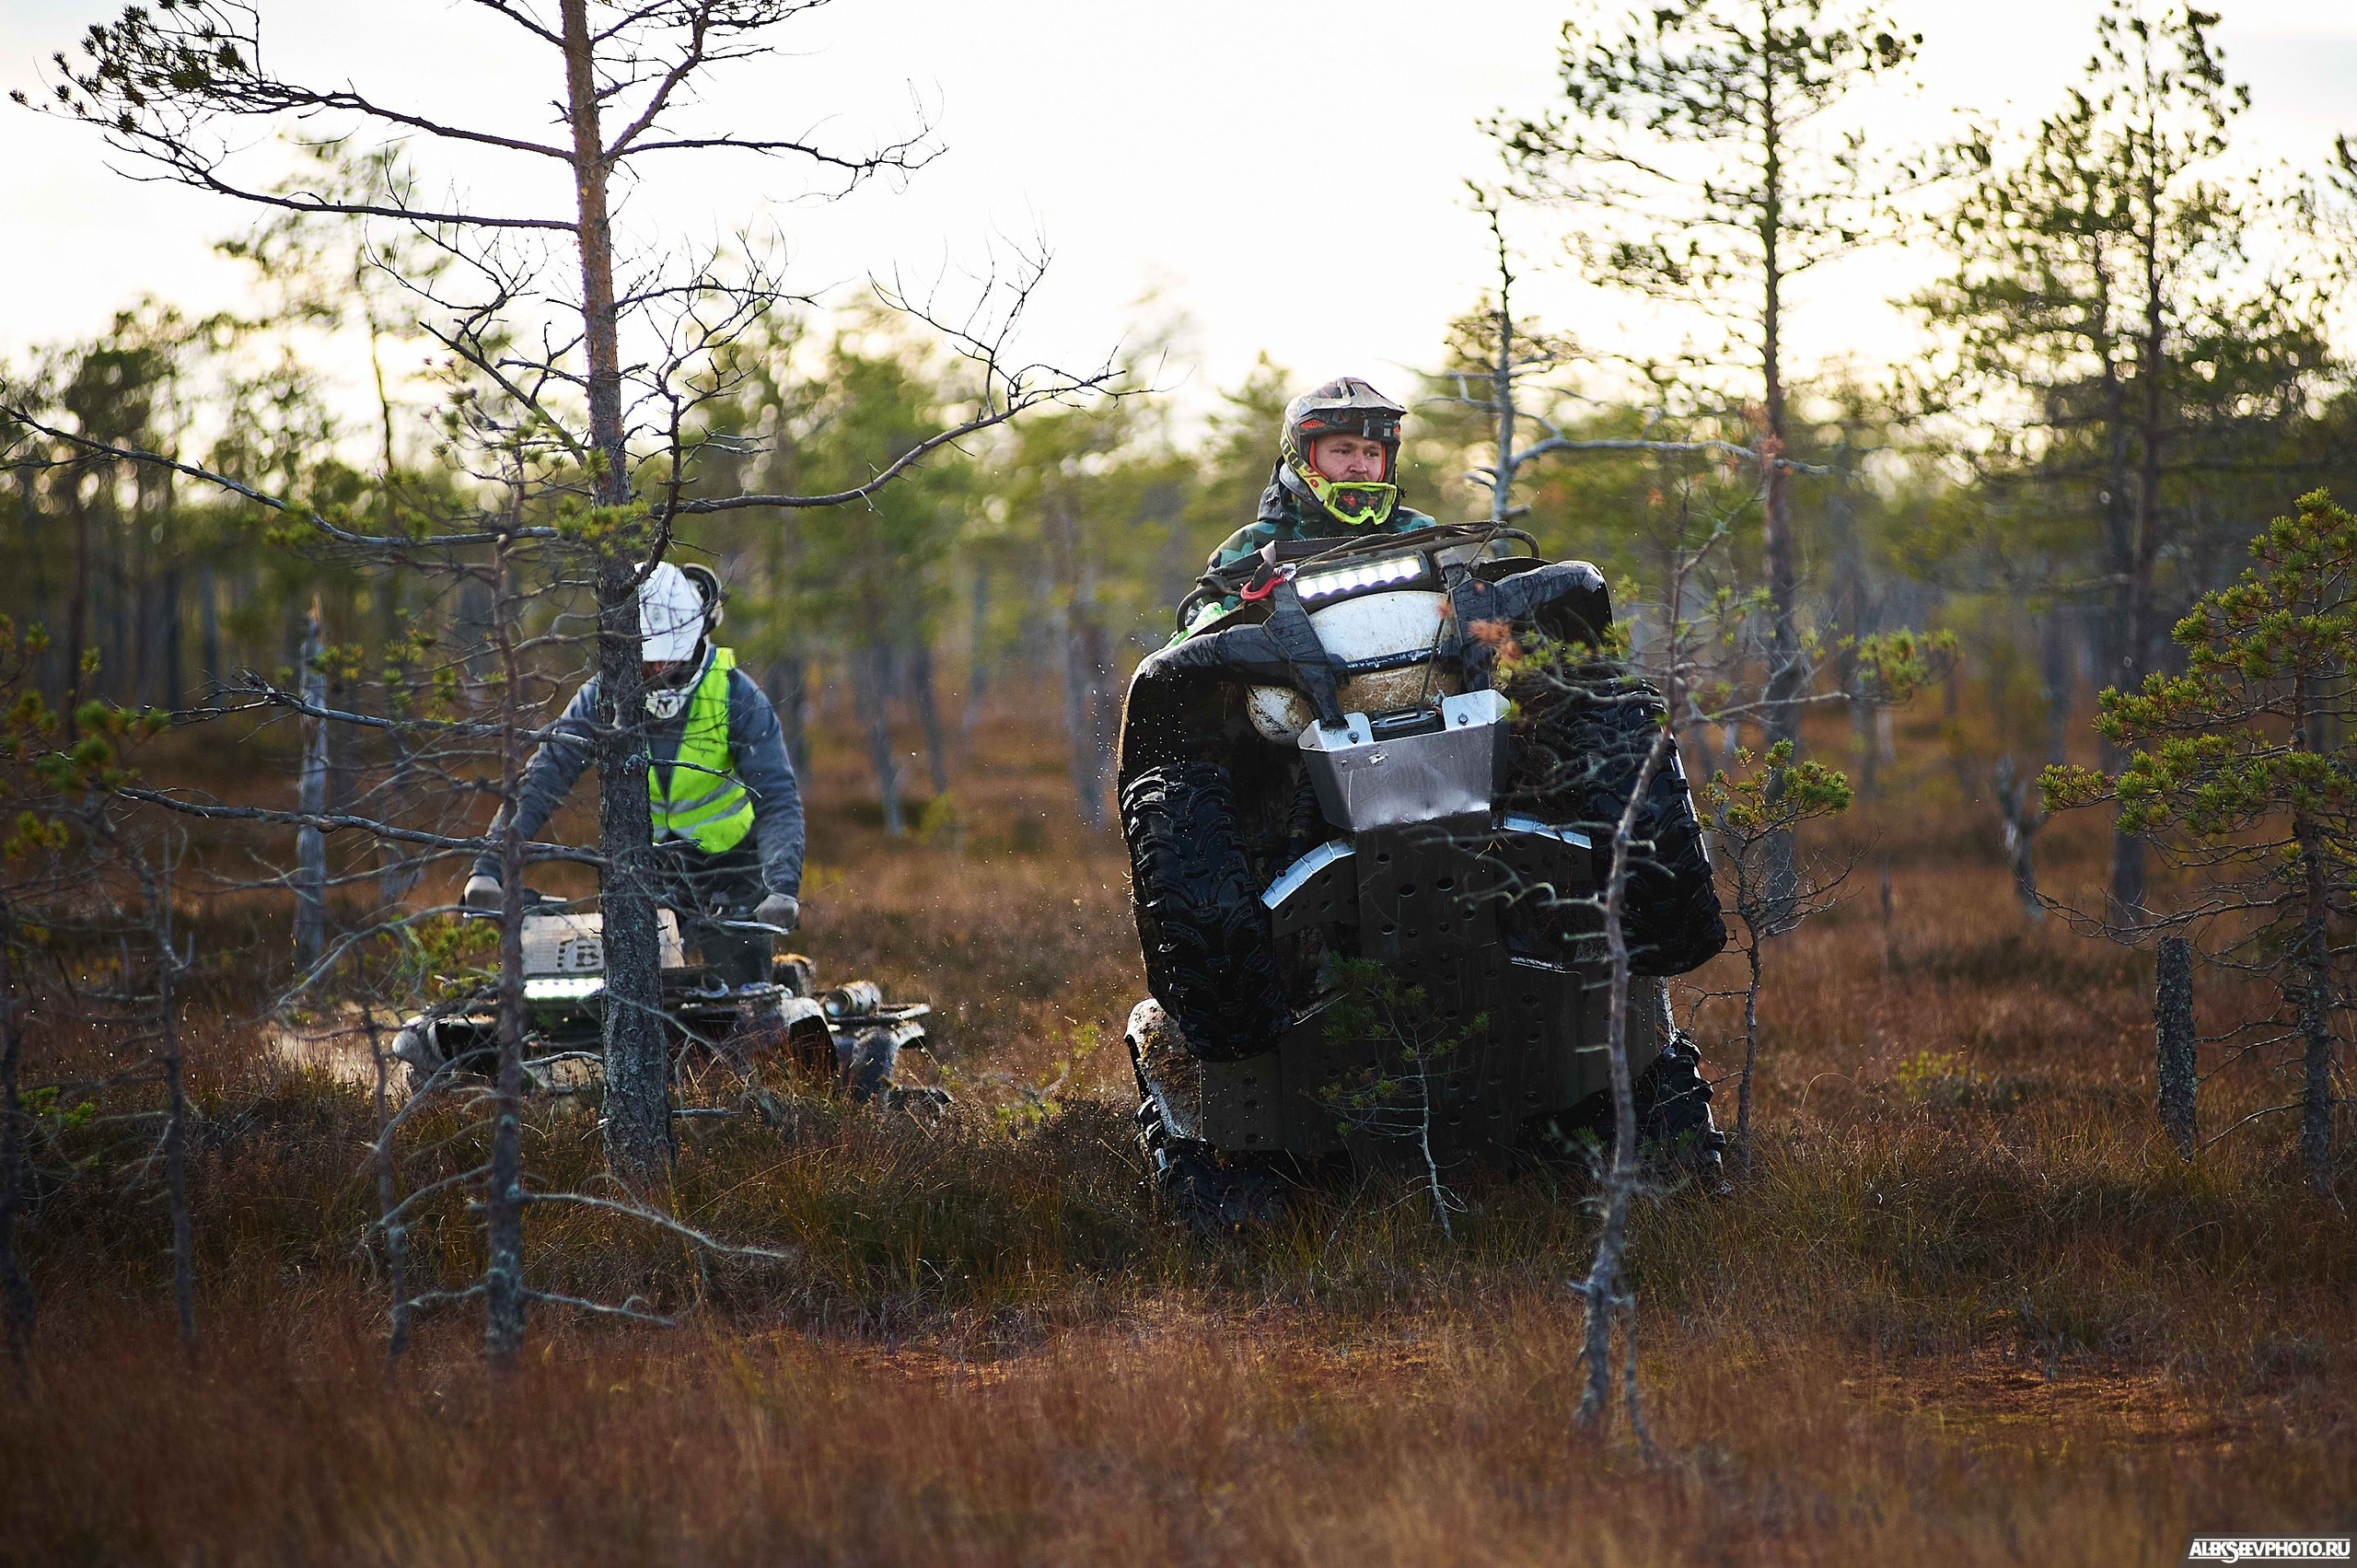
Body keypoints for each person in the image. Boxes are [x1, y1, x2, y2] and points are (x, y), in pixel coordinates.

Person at [463, 562, 805, 987]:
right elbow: (544, 777)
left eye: (669, 658)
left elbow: (775, 796)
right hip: (648, 870)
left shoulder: (736, 695)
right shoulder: (600, 697)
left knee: (742, 1006)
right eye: (646, 662)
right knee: (636, 998)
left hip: (733, 870)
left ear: (695, 640)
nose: (658, 671)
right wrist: (489, 867)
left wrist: (781, 887)